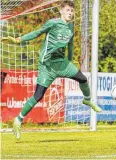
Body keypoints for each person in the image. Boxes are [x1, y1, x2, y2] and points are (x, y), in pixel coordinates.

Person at [1, 0, 102, 140]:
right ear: (61, 11)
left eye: (72, 11)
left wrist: (71, 60)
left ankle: (87, 100)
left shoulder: (71, 27)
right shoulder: (53, 23)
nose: (70, 13)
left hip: (62, 63)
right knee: (38, 95)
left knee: (83, 79)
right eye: (68, 10)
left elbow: (71, 45)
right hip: (47, 65)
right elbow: (37, 32)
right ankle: (18, 120)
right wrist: (18, 40)